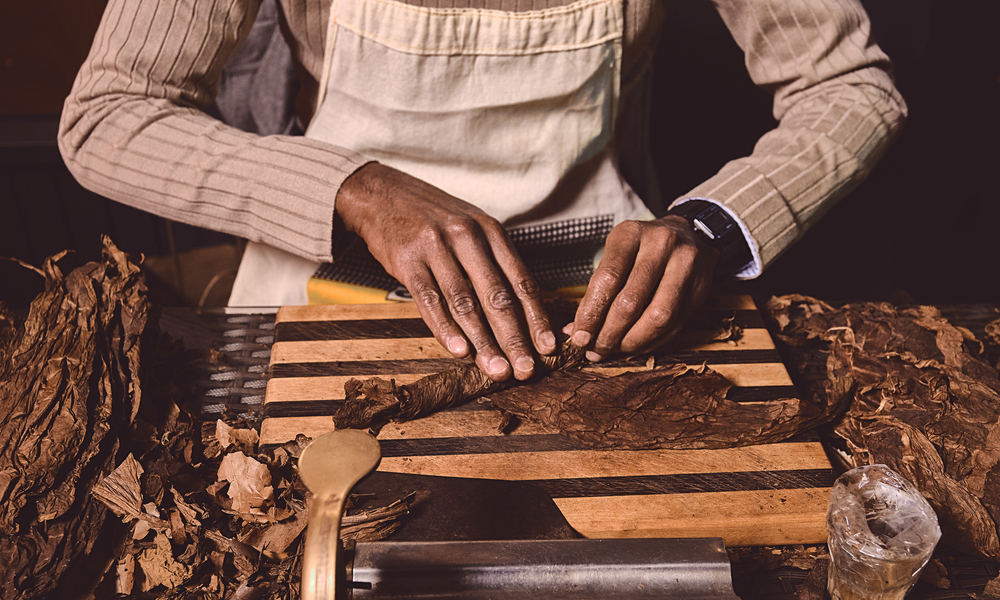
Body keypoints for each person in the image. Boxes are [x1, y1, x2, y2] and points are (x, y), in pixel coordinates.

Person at [58, 0, 906, 384]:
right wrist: (351, 187)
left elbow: (849, 86)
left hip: (596, 289)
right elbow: (106, 117)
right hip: (326, 270)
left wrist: (714, 223)